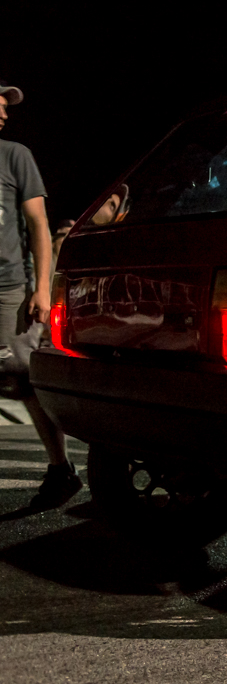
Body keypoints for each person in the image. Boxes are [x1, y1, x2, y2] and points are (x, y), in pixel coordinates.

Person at [0, 79, 80, 509]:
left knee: (21, 377)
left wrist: (42, 288)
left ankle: (60, 468)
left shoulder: (15, 155)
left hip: (8, 290)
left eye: (6, 105)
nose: (4, 112)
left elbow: (38, 225)